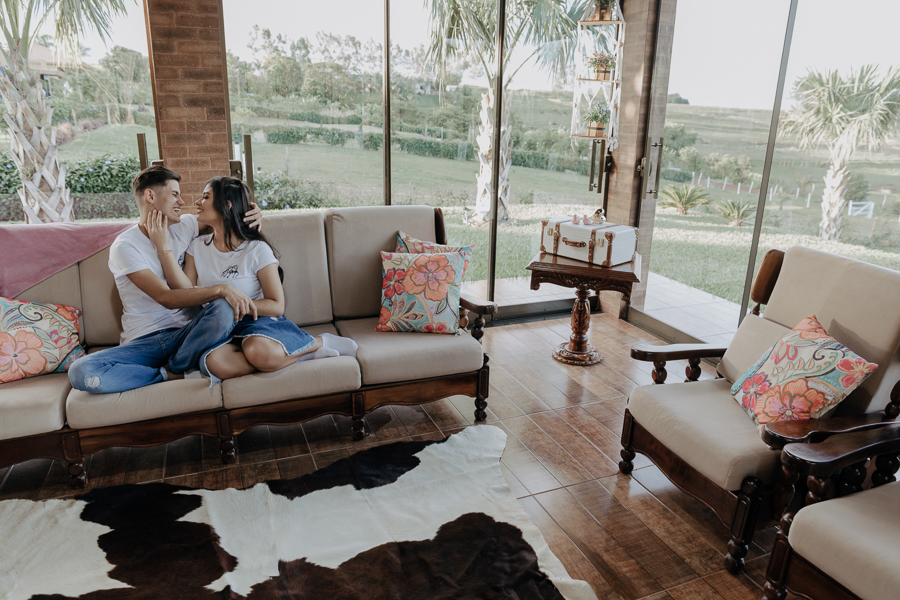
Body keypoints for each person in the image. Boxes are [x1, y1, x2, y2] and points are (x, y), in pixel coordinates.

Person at [68, 166, 264, 394]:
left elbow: (226, 216)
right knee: (81, 371)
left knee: (223, 308)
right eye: (174, 194)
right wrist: (221, 289)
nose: (182, 201)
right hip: (147, 340)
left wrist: (254, 213)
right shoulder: (125, 247)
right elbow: (166, 297)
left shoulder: (186, 225)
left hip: (191, 333)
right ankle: (169, 372)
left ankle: (180, 362)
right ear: (150, 196)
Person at [147, 176, 357, 382]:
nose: (197, 202)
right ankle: (297, 355)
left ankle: (318, 343)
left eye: (205, 197)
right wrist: (162, 247)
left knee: (258, 352)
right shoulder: (197, 247)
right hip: (219, 327)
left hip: (259, 321)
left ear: (226, 205)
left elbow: (276, 306)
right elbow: (183, 291)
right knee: (217, 364)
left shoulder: (257, 249)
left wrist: (235, 305)